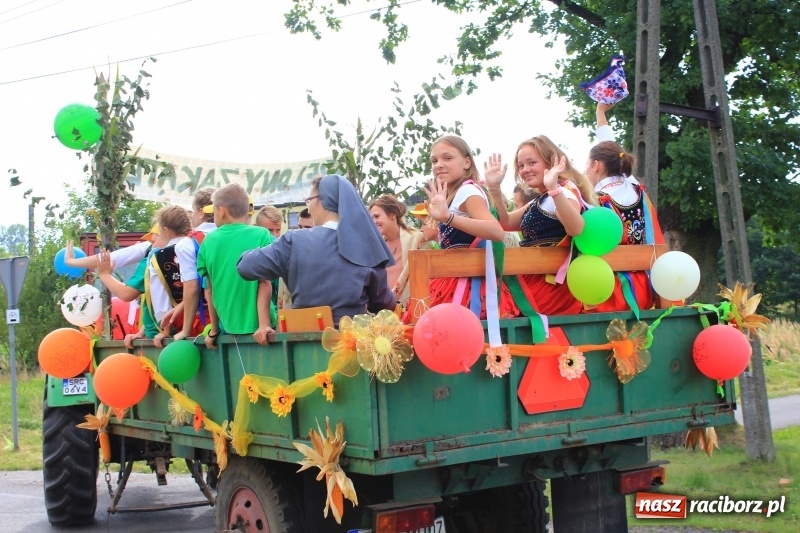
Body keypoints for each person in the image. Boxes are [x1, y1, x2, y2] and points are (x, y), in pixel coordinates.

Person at [237, 174, 396, 326]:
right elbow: (384, 305)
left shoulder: (294, 241)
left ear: (322, 201)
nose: (309, 207)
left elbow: (245, 266)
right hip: (351, 345)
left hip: (302, 347)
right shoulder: (366, 247)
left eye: (308, 200)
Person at [485, 135, 597, 316]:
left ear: (550, 163)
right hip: (532, 277)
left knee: (499, 313)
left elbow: (576, 228)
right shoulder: (542, 199)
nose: (525, 170)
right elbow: (504, 223)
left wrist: (554, 188)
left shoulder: (563, 194)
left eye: (531, 163)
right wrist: (495, 189)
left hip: (550, 286)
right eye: (521, 166)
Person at [416, 135, 519, 320]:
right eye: (434, 160)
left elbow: (496, 232)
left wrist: (448, 217)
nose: (439, 164)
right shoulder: (456, 193)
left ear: (466, 162)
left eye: (447, 158)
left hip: (467, 288)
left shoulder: (467, 190)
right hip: (454, 280)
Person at [583, 102, 663, 312]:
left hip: (607, 289)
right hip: (643, 287)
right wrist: (600, 114)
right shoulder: (634, 186)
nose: (585, 172)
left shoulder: (594, 201)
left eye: (586, 165)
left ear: (596, 165)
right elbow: (610, 145)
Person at [95, 205, 193, 348]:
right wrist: (142, 331)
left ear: (165, 231)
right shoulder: (196, 247)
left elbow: (131, 294)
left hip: (164, 333)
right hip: (195, 327)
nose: (150, 246)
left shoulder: (157, 257)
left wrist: (104, 274)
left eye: (153, 241)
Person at [197, 183, 275, 348]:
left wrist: (214, 331)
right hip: (263, 330)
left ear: (221, 211)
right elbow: (265, 282)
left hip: (227, 328)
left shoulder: (208, 241)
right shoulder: (262, 235)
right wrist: (263, 325)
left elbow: (209, 290)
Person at [170, 187, 217, 343]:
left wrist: (186, 329)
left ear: (200, 212)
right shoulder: (235, 235)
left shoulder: (187, 244)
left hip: (209, 322)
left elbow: (192, 287)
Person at [369, 195, 422, 309]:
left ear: (392, 215)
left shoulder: (416, 238)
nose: (373, 221)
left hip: (412, 308)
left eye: (377, 216)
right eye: (371, 218)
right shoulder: (374, 246)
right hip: (382, 312)